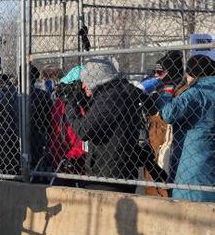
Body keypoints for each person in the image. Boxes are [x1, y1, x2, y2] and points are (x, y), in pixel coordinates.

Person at [64, 57, 149, 194]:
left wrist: (70, 103)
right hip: (117, 171)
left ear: (96, 79)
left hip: (108, 175)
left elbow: (84, 130)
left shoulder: (110, 98)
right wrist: (81, 99)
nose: (83, 86)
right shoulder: (121, 91)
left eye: (86, 82)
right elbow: (99, 120)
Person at [157, 54, 215, 202]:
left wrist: (164, 97)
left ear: (191, 74)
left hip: (195, 160)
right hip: (209, 154)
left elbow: (169, 113)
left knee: (191, 202)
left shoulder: (197, 91)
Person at [142, 51, 185, 197]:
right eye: (156, 72)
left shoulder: (182, 90)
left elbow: (168, 116)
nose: (156, 76)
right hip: (154, 146)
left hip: (170, 145)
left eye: (160, 72)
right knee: (152, 190)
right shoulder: (156, 88)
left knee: (167, 190)